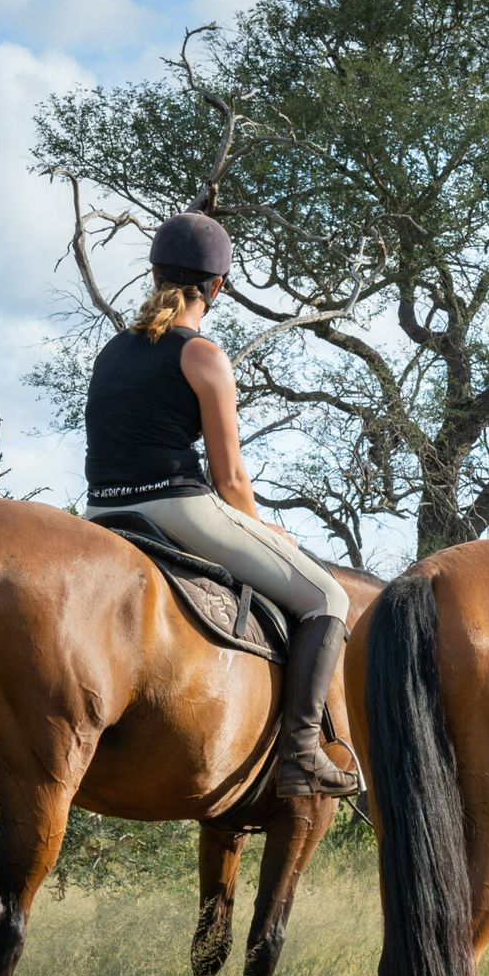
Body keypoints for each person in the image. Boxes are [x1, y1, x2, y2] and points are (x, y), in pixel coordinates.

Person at [82, 212, 359, 800]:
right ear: (218, 287)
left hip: (101, 514)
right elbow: (230, 478)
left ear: (154, 274)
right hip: (176, 510)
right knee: (329, 597)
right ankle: (303, 752)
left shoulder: (111, 351)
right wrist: (264, 533)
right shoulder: (202, 354)